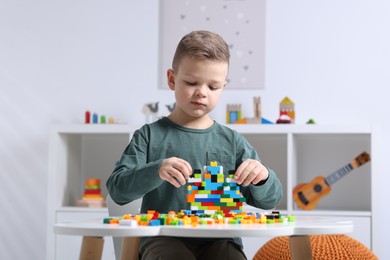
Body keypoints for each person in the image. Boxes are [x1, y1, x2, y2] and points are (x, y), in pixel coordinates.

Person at [106, 30, 283, 260]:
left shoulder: (232, 141)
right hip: (164, 237)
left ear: (223, 88)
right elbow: (117, 190)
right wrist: (156, 170)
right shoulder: (149, 136)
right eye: (191, 82)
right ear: (172, 79)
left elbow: (270, 200)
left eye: (213, 87)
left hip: (221, 238)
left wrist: (264, 177)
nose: (201, 92)